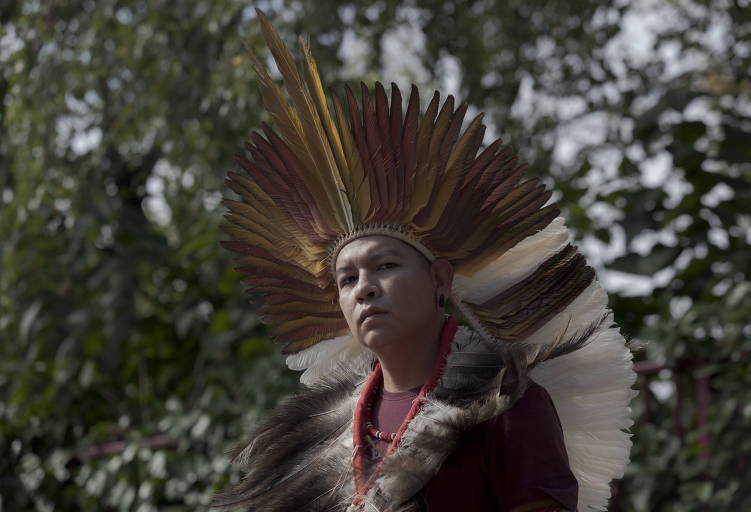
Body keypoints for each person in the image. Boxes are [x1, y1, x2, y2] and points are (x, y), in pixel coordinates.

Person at [214, 11, 635, 512]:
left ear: (439, 277)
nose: (364, 288)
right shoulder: (319, 433)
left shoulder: (505, 401)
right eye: (347, 279)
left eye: (386, 267)